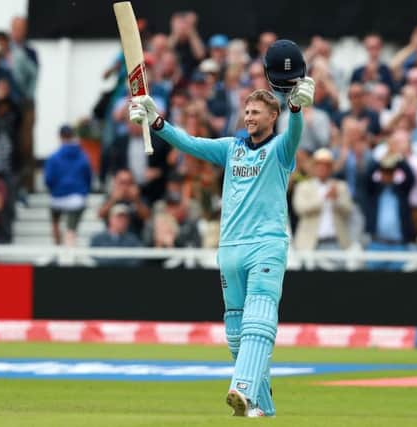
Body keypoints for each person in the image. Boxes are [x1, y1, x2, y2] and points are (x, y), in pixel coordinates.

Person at [129, 40, 315, 416]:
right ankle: (260, 406)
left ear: (271, 116)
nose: (248, 117)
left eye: (256, 112)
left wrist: (296, 106)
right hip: (230, 247)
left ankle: (241, 388)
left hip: (266, 244)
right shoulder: (232, 148)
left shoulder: (280, 150)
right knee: (235, 333)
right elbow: (190, 143)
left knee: (259, 321)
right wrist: (156, 120)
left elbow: (294, 132)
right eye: (246, 110)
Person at [292, 148, 353, 251]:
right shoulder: (304, 186)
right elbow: (300, 208)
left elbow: (348, 210)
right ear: (314, 167)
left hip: (336, 243)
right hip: (309, 244)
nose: (322, 169)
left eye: (326, 166)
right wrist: (324, 198)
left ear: (331, 168)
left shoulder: (340, 186)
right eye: (319, 165)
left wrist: (336, 200)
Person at [364, 154, 415, 270]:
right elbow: (366, 176)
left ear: (394, 174)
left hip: (398, 245)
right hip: (377, 244)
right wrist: (380, 161)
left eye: (390, 172)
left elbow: (411, 177)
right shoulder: (374, 191)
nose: (387, 175)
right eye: (385, 172)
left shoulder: (401, 191)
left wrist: (397, 160)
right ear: (380, 174)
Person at [44, 125, 92, 246]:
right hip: (77, 198)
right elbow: (88, 176)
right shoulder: (83, 156)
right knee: (71, 229)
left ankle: (58, 248)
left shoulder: (54, 157)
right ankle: (69, 255)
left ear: (60, 136)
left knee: (55, 223)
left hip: (57, 197)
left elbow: (49, 179)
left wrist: (54, 190)